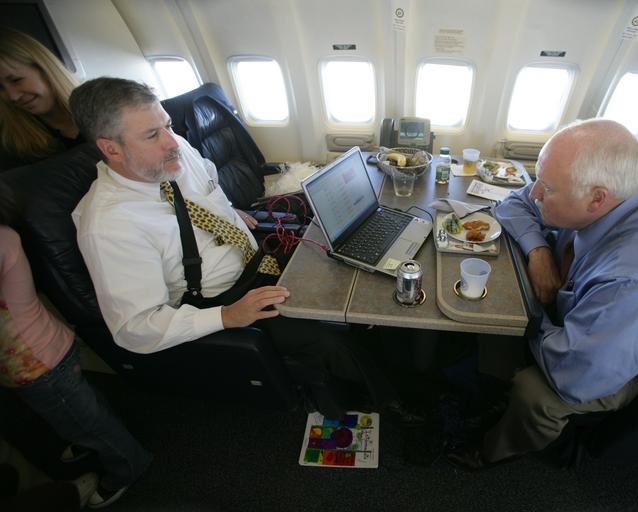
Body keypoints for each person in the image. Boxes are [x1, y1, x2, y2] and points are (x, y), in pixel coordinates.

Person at [69, 77, 396, 418]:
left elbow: (208, 184)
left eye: (167, 125)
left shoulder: (176, 151)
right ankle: (392, 401)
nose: (171, 141)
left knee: (346, 269)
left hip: (258, 260)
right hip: (223, 298)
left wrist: (227, 211)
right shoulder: (109, 226)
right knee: (329, 338)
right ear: (111, 149)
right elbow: (134, 329)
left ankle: (390, 344)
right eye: (152, 135)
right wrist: (226, 316)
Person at [447, 119, 638, 470]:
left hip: (635, 365)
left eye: (546, 188)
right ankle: (493, 389)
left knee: (534, 393)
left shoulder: (637, 280)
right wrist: (538, 251)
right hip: (592, 321)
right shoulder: (615, 196)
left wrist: (526, 316)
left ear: (597, 199)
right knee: (501, 305)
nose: (535, 193)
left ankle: (496, 450)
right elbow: (514, 203)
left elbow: (575, 374)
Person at [0, 180, 152, 508]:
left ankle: (127, 465)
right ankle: (94, 434)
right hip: (42, 349)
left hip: (35, 361)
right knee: (80, 406)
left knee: (81, 418)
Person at [0, 28, 83, 172]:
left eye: (16, 80)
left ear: (45, 69)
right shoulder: (12, 145)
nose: (12, 96)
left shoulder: (109, 109)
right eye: (0, 88)